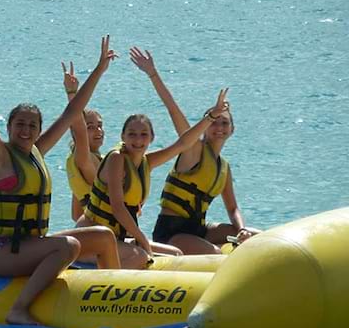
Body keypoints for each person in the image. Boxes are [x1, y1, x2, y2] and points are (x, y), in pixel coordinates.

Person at [0, 36, 121, 326]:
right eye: (20, 124)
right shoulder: (1, 157)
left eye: (32, 125)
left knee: (104, 235)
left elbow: (72, 112)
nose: (26, 130)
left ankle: (116, 298)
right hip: (4, 252)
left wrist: (99, 69)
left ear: (38, 129)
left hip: (32, 246)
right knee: (67, 247)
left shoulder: (35, 152)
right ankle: (18, 309)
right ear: (10, 127)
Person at [76, 50, 229, 268]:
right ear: (122, 136)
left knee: (175, 254)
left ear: (151, 138)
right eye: (132, 134)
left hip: (116, 238)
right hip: (92, 236)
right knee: (140, 255)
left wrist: (211, 116)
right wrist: (140, 238)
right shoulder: (116, 159)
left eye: (143, 135)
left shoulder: (145, 163)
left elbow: (183, 143)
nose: (138, 140)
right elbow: (118, 208)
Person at [131, 48, 258, 254]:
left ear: (232, 129)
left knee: (257, 237)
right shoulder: (193, 149)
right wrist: (153, 74)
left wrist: (241, 229)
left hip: (199, 230)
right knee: (217, 255)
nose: (219, 127)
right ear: (205, 127)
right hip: (172, 233)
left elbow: (232, 208)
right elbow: (173, 109)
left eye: (224, 123)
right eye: (214, 121)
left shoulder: (223, 167)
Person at [61, 61, 105, 222]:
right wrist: (72, 94)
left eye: (100, 125)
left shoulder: (78, 163)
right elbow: (79, 129)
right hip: (104, 233)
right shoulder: (83, 159)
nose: (98, 131)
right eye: (91, 127)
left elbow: (76, 215)